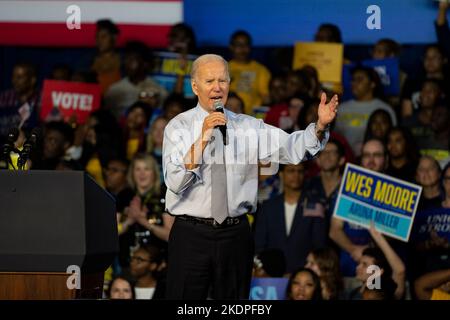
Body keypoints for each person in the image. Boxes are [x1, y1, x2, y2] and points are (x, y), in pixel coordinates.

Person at [162, 54, 339, 299]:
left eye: (223, 80)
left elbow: (292, 148)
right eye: (210, 80)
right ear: (194, 86)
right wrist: (203, 136)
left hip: (235, 235)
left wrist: (319, 126)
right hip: (191, 235)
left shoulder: (248, 127)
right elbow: (175, 182)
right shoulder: (178, 127)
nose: (217, 87)